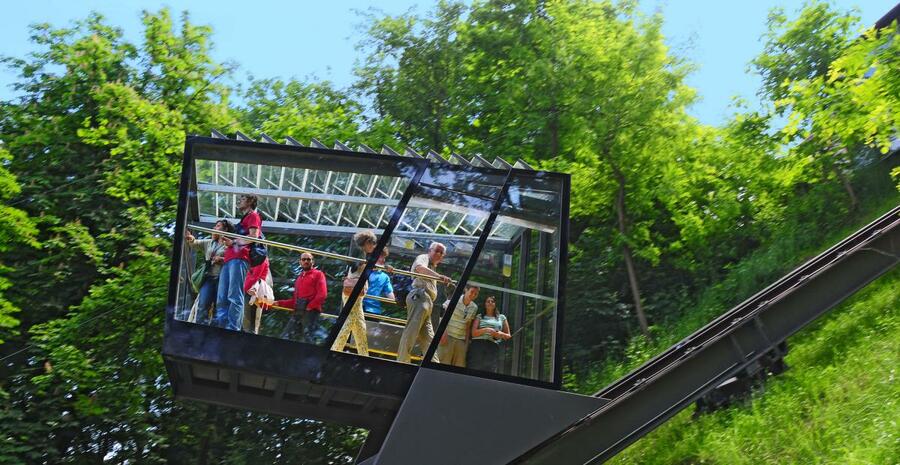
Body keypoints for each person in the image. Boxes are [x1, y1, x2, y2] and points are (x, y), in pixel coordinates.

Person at [397, 242, 451, 363]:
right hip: (419, 297)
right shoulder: (423, 257)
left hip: (427, 302)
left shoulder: (432, 267)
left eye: (442, 253)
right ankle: (402, 363)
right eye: (437, 250)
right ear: (429, 250)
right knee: (411, 332)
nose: (439, 254)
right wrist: (439, 277)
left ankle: (433, 366)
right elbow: (419, 268)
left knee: (429, 339)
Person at [213, 194, 261, 331]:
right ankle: (221, 327)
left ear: (251, 201)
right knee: (222, 297)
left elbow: (254, 237)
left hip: (240, 259)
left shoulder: (253, 216)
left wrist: (233, 241)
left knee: (234, 295)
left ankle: (232, 330)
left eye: (243, 199)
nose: (239, 201)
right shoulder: (243, 219)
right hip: (229, 259)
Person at [331, 230, 378, 356]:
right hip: (354, 294)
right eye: (373, 244)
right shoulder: (359, 253)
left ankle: (364, 355)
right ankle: (334, 350)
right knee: (348, 324)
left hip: (355, 294)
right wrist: (369, 264)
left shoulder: (359, 253)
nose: (373, 247)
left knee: (360, 327)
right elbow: (357, 265)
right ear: (367, 242)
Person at [272, 252, 327, 342]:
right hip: (298, 311)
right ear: (300, 262)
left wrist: (309, 307)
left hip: (311, 312)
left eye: (308, 259)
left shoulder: (318, 274)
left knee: (307, 339)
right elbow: (295, 301)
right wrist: (279, 303)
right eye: (303, 259)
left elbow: (322, 294)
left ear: (313, 262)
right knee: (285, 336)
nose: (306, 261)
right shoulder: (299, 278)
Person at [185, 219, 232, 324]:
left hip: (222, 280)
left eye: (218, 226)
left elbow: (233, 261)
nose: (214, 228)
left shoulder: (230, 245)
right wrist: (191, 238)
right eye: (215, 226)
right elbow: (195, 243)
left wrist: (222, 260)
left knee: (219, 307)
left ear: (225, 230)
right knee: (202, 305)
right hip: (208, 279)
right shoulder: (209, 242)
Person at [436, 284, 479, 367]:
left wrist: (466, 342)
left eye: (476, 294)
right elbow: (442, 315)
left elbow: (468, 324)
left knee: (459, 366)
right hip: (447, 336)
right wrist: (442, 334)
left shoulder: (474, 307)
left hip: (461, 340)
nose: (473, 295)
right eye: (472, 292)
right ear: (466, 290)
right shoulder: (455, 299)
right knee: (443, 364)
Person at [467, 295, 511, 373]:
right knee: (473, 369)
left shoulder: (502, 317)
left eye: (492, 301)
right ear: (485, 304)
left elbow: (508, 336)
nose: (490, 303)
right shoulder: (479, 316)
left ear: (495, 304)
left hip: (492, 346)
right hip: (477, 345)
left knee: (489, 371)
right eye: (488, 301)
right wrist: (487, 330)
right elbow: (473, 333)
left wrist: (500, 334)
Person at [362, 247, 395, 315]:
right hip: (359, 307)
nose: (383, 260)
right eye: (380, 257)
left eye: (384, 257)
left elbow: (391, 298)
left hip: (374, 311)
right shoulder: (362, 269)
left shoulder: (385, 277)